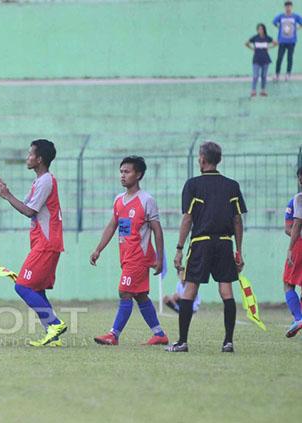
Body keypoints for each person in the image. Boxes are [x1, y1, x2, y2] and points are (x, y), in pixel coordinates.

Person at [169, 141, 246, 353]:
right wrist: (238, 250)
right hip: (224, 242)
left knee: (190, 289)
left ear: (202, 159)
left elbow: (188, 218)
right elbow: (238, 221)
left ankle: (182, 342)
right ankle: (228, 342)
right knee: (226, 290)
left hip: (201, 243)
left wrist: (179, 248)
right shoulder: (232, 185)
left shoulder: (193, 184)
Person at [0, 140, 66, 348]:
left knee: (22, 286)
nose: (27, 157)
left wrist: (6, 195)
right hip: (43, 242)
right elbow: (28, 208)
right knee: (37, 289)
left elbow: (29, 211)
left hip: (46, 242)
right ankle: (53, 336)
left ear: (39, 158)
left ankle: (55, 323)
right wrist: (6, 192)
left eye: (30, 154)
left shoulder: (45, 181)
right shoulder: (40, 181)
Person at [89, 156, 169, 346]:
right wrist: (98, 249)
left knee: (124, 291)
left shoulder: (146, 200)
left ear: (138, 174)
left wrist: (159, 258)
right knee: (140, 295)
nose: (123, 175)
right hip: (125, 256)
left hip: (139, 257)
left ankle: (113, 335)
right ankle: (159, 334)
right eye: (121, 171)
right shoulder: (118, 200)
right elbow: (113, 226)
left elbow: (157, 229)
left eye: (127, 172)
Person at [283, 166, 302, 337]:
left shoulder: (298, 199)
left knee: (288, 283)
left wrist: (290, 248)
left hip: (299, 244)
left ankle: (298, 318)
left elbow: (292, 227)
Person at [273, 1, 302, 81]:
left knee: (289, 58)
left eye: (289, 6)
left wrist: (297, 29)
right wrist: (280, 28)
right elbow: (274, 22)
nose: (288, 8)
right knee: (279, 58)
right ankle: (277, 74)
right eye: (286, 7)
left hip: (292, 41)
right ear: (284, 7)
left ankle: (288, 74)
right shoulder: (281, 16)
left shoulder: (295, 16)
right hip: (282, 41)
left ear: (291, 7)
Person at [246, 23, 277, 97]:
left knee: (264, 76)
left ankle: (263, 90)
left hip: (265, 59)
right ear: (257, 30)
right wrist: (252, 48)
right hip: (256, 59)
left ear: (264, 30)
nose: (260, 30)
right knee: (255, 76)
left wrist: (269, 47)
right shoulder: (255, 38)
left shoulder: (267, 38)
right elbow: (246, 43)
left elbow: (276, 43)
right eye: (259, 29)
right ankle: (253, 90)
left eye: (262, 29)